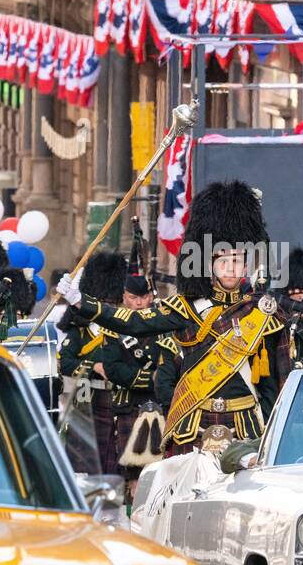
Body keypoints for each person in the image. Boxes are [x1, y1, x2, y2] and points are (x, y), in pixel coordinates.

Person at [57, 180, 289, 456]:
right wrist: (81, 302)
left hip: (246, 428)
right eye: (223, 260)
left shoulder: (263, 314)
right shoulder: (185, 307)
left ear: (247, 264)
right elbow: (133, 321)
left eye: (237, 261)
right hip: (194, 424)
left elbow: (276, 384)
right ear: (209, 264)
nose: (230, 268)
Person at [58, 251, 127, 474]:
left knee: (115, 462)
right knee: (86, 463)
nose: (108, 307)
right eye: (103, 302)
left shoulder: (124, 328)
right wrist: (93, 367)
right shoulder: (80, 332)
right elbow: (65, 362)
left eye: (111, 302)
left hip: (119, 402)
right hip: (88, 401)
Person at [101, 270, 167, 500]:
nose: (139, 303)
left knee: (163, 470)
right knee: (134, 476)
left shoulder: (164, 323)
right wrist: (152, 380)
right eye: (132, 297)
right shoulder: (113, 327)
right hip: (129, 405)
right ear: (123, 297)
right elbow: (113, 368)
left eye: (143, 296)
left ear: (151, 296)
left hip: (161, 405)